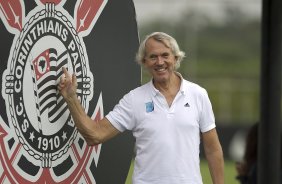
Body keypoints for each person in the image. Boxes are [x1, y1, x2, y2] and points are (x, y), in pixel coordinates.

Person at [58, 32, 224, 184]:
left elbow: (213, 149)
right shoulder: (134, 99)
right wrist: (72, 98)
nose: (160, 62)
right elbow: (95, 134)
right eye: (153, 57)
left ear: (175, 58)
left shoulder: (198, 94)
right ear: (144, 62)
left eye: (165, 55)